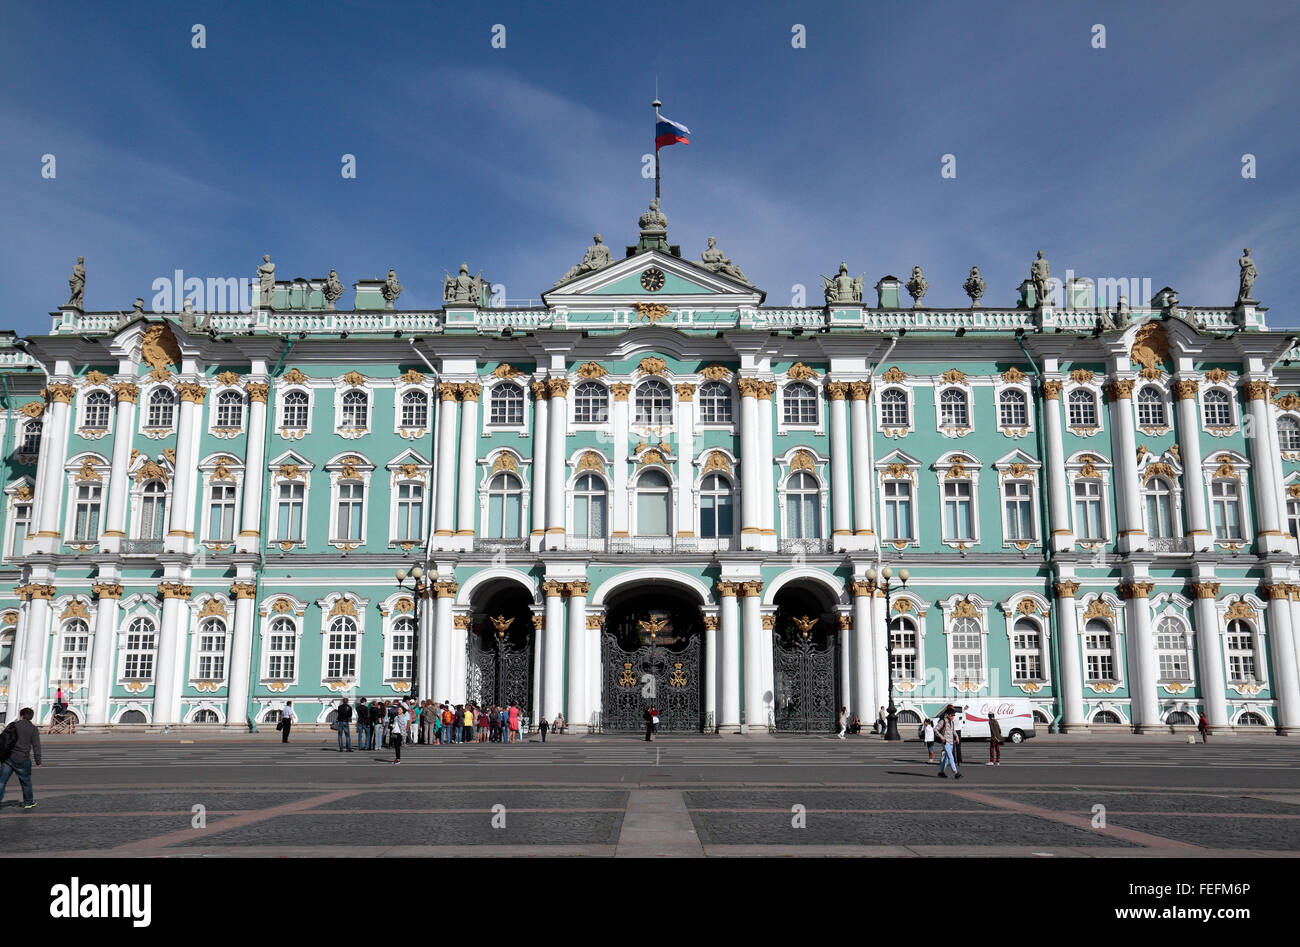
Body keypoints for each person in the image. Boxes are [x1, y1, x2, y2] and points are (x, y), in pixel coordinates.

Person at [0, 707, 42, 809]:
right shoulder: (33, 729)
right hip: (23, 759)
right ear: (31, 717)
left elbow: (3, 739)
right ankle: (28, 803)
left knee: (2, 781)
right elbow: (36, 746)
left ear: (21, 715)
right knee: (26, 782)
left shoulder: (13, 725)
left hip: (8, 758)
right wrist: (38, 760)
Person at [935, 709, 962, 779]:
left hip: (951, 742)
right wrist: (941, 737)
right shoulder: (943, 721)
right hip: (945, 742)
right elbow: (935, 729)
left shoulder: (952, 722)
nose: (953, 717)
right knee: (951, 757)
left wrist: (957, 737)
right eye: (951, 715)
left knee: (946, 759)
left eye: (953, 715)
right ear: (948, 715)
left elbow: (953, 731)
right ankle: (956, 772)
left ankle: (941, 772)